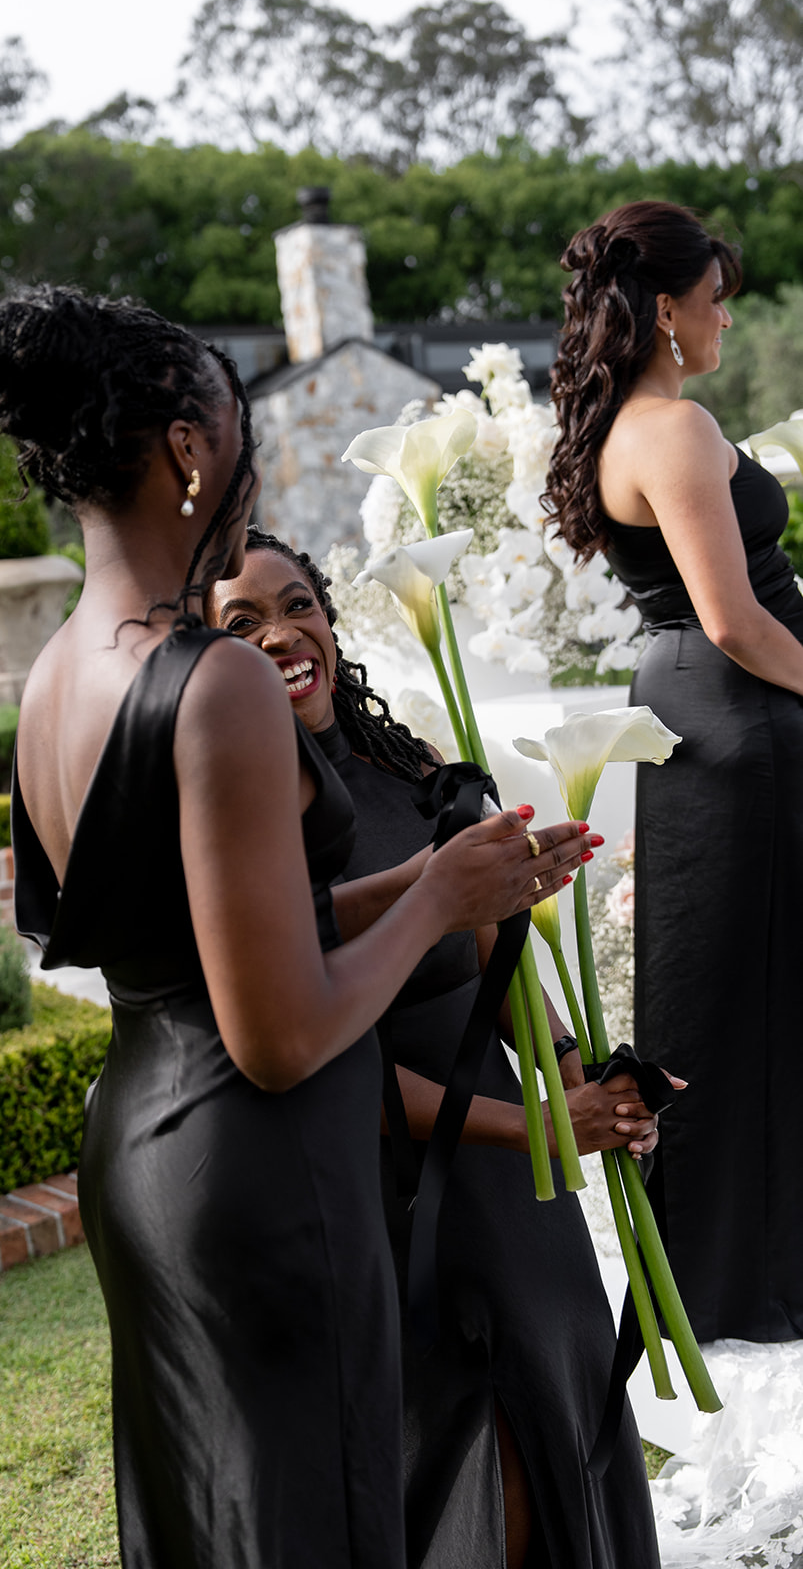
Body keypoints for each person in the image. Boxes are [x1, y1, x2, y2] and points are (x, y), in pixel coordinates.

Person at [0, 285, 594, 1569]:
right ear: (190, 448)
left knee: (223, 1519)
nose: (249, 470)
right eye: (240, 434)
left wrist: (428, 878)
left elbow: (189, 939)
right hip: (262, 1167)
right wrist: (438, 901)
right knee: (315, 1522)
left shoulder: (55, 676)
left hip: (144, 1151)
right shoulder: (220, 681)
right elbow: (280, 1035)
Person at [207, 528, 663, 1569]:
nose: (280, 635)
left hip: (510, 1170)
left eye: (297, 605)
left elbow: (492, 945)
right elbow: (323, 1060)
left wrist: (578, 1078)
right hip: (386, 1180)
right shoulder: (243, 823)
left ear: (329, 619)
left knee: (561, 1387)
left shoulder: (403, 764)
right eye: (240, 625)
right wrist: (535, 1125)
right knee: (475, 1443)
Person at [544, 200, 803, 1347]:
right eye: (712, 299)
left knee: (715, 992)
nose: (723, 319)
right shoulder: (674, 429)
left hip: (693, 710)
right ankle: (749, 1279)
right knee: (754, 997)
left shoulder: (622, 430)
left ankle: (714, 1271)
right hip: (741, 716)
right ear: (662, 308)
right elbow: (734, 618)